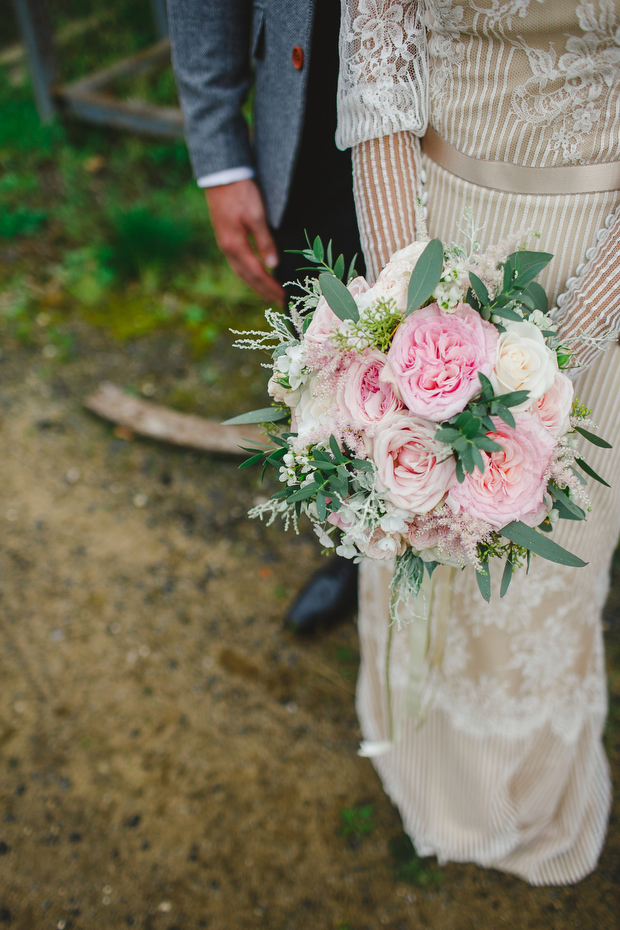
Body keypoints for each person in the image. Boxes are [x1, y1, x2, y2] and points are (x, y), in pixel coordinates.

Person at [336, 0, 620, 884]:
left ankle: (527, 791)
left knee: (551, 550)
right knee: (418, 519)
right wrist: (408, 319)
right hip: (431, 230)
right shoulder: (412, 282)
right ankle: (421, 761)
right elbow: (380, 79)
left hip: (597, 264)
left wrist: (557, 361)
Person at [167, 0, 362, 633]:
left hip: (479, 123)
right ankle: (357, 548)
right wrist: (220, 155)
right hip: (314, 111)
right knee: (332, 370)